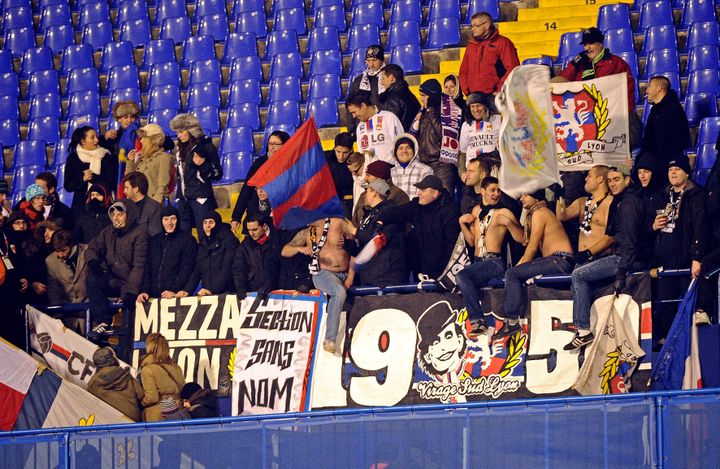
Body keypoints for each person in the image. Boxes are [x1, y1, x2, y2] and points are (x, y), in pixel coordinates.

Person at [564, 165, 650, 350]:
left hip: (625, 260)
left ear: (627, 180)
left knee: (578, 274)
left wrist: (621, 273)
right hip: (623, 257)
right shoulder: (621, 201)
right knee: (579, 275)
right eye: (610, 180)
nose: (613, 184)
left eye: (617, 179)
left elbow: (629, 241)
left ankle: (583, 331)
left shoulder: (627, 203)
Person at [492, 189, 575, 340]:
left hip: (559, 260)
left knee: (512, 274)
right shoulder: (539, 212)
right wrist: (514, 270)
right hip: (556, 260)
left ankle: (511, 321)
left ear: (535, 197)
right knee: (512, 273)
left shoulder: (540, 213)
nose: (521, 198)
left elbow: (532, 247)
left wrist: (514, 272)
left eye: (525, 194)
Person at [553, 27, 640, 147]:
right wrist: (573, 65)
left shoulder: (616, 63)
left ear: (600, 44)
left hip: (612, 117)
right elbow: (559, 83)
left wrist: (622, 118)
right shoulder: (580, 65)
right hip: (587, 120)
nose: (587, 48)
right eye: (585, 44)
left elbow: (627, 94)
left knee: (617, 156)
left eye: (591, 43)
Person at [652, 158, 708, 340]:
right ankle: (667, 342)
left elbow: (700, 227)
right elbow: (647, 227)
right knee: (665, 305)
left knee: (687, 302)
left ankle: (692, 342)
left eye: (677, 169)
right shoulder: (662, 194)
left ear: (687, 172)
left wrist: (696, 256)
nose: (673, 173)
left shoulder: (696, 194)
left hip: (685, 258)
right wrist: (653, 226)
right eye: (670, 169)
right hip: (665, 259)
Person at [456, 177, 521, 334]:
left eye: (498, 190)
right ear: (482, 191)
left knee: (462, 276)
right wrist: (462, 223)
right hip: (478, 261)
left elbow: (521, 238)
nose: (496, 194)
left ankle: (477, 320)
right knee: (458, 279)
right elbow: (472, 242)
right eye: (492, 190)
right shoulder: (476, 211)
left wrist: (510, 223)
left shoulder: (503, 212)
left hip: (494, 261)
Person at [85, 200, 148, 359]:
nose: (116, 218)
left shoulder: (140, 233)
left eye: (120, 214)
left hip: (132, 283)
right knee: (93, 279)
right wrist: (93, 261)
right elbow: (92, 247)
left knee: (128, 321)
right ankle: (102, 321)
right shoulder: (108, 231)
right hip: (114, 279)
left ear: (130, 214)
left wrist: (132, 291)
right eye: (114, 214)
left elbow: (139, 265)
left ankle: (127, 351)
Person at [377, 175, 461, 281]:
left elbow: (452, 245)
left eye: (423, 190)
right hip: (421, 270)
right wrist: (381, 220)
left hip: (442, 271)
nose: (418, 192)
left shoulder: (450, 212)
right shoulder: (417, 206)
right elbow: (399, 212)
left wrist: (444, 274)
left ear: (435, 193)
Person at [306, 217, 356, 353]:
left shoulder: (339, 222)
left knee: (342, 292)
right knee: (339, 292)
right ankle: (330, 339)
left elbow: (356, 247)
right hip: (323, 274)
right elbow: (285, 250)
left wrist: (350, 277)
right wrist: (299, 248)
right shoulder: (307, 233)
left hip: (344, 273)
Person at [346, 179, 407, 287]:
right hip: (370, 275)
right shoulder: (369, 215)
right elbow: (362, 247)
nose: (364, 195)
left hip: (386, 277)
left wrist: (355, 231)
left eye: (367, 191)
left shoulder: (390, 213)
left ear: (375, 192)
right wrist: (346, 242)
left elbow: (376, 239)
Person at [169, 113, 223, 233]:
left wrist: (203, 165)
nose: (179, 135)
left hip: (201, 200)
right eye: (177, 132)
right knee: (184, 238)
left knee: (205, 236)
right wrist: (179, 197)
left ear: (191, 130)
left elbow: (218, 173)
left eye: (181, 131)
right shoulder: (179, 150)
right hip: (183, 200)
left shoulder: (205, 147)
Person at [231, 130, 290, 233]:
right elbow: (247, 189)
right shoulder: (259, 163)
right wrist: (236, 216)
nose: (272, 147)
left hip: (281, 213)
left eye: (276, 144)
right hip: (258, 213)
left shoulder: (290, 163)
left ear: (285, 145)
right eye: (270, 143)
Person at [556, 165, 614, 267]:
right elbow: (562, 216)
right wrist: (559, 197)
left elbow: (610, 237)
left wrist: (589, 252)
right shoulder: (582, 202)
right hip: (581, 259)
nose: (585, 179)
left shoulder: (610, 203)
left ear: (600, 179)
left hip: (600, 258)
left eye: (589, 175)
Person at [137, 205, 197, 302]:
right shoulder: (154, 240)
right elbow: (148, 268)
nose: (169, 223)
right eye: (166, 219)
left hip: (175, 296)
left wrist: (174, 290)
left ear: (178, 220)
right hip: (153, 297)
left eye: (173, 219)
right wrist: (144, 291)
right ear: (161, 221)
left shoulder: (188, 240)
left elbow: (186, 269)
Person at [410, 79, 457, 193]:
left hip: (441, 165)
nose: (421, 99)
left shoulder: (448, 110)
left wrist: (431, 112)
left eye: (424, 96)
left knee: (444, 200)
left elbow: (444, 135)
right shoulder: (421, 112)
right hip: (423, 163)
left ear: (432, 96)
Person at [641, 75, 691, 180]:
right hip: (657, 165)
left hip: (665, 168)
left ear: (659, 88)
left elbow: (677, 142)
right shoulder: (656, 110)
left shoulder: (673, 111)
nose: (646, 91)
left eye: (649, 87)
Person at [179, 211, 238, 297]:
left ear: (217, 223)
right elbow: (197, 270)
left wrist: (212, 290)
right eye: (205, 222)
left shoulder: (229, 240)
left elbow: (227, 269)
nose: (207, 226)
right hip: (208, 293)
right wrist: (187, 290)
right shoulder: (203, 244)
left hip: (228, 293)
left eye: (211, 222)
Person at [459, 12, 520, 96]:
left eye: (475, 26)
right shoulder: (471, 45)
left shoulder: (503, 43)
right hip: (474, 97)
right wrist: (468, 91)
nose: (473, 29)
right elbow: (463, 71)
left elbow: (513, 68)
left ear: (486, 25)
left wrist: (499, 90)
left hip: (495, 96)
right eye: (471, 26)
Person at [64, 126, 118, 213]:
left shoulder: (106, 156)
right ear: (83, 141)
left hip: (103, 206)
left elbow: (111, 182)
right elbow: (68, 186)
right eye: (92, 138)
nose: (96, 140)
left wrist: (93, 177)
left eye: (96, 136)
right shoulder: (73, 158)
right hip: (80, 206)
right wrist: (83, 179)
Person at [345, 90, 403, 165]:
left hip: (391, 171)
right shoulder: (359, 127)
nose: (354, 116)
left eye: (354, 112)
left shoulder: (389, 117)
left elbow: (401, 145)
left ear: (363, 106)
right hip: (370, 174)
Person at [87, 347, 144, 422]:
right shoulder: (126, 374)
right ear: (112, 359)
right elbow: (141, 394)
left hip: (109, 421)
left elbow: (90, 403)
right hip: (131, 419)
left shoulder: (93, 382)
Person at [139, 332, 186, 422]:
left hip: (158, 415)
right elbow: (183, 391)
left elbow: (152, 398)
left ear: (149, 347)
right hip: (177, 411)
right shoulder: (176, 368)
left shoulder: (147, 369)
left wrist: (141, 403)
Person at [233, 214, 280, 299]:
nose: (251, 233)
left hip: (275, 292)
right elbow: (239, 268)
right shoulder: (245, 244)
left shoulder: (276, 239)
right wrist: (241, 289)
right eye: (249, 230)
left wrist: (268, 287)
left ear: (264, 226)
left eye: (255, 230)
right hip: (253, 292)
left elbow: (278, 268)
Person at [125, 123, 174, 204]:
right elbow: (129, 180)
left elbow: (163, 186)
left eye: (144, 138)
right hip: (136, 203)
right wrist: (130, 162)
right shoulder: (141, 157)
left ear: (153, 140)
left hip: (151, 204)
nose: (141, 141)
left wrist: (154, 205)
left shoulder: (164, 158)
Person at [352, 160, 409, 227]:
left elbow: (406, 224)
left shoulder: (399, 195)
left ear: (379, 178)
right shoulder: (364, 195)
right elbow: (355, 221)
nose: (365, 178)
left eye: (368, 175)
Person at [458, 92, 501, 180]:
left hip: (493, 171)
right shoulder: (466, 125)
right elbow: (462, 154)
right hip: (472, 174)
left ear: (485, 106)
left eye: (478, 105)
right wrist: (462, 173)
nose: (476, 110)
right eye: (472, 106)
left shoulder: (497, 119)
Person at [101, 100, 142, 193]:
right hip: (119, 177)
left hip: (140, 175)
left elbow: (167, 143)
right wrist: (104, 137)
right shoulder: (114, 137)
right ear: (119, 119)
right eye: (125, 117)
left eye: (132, 117)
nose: (129, 120)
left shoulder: (143, 133)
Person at [347, 44, 386, 133]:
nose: (371, 64)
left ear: (381, 60)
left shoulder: (389, 78)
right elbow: (351, 105)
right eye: (368, 61)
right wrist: (352, 129)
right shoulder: (359, 81)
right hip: (363, 127)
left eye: (374, 60)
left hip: (383, 124)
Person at [46, 229, 89, 305]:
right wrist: (57, 313)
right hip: (68, 308)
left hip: (90, 305)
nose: (60, 255)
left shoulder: (88, 251)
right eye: (57, 251)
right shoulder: (50, 261)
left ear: (72, 245)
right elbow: (53, 290)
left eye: (63, 250)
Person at [378, 63, 421, 131]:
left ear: (391, 78)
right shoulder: (409, 95)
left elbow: (391, 127)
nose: (382, 83)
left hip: (400, 139)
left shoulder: (393, 99)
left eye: (383, 79)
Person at [390, 133, 433, 200]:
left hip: (416, 209)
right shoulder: (390, 172)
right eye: (400, 148)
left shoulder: (425, 170)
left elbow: (427, 196)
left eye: (408, 148)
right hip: (394, 209)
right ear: (395, 152)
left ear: (414, 151)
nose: (404, 151)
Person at [122, 171, 163, 237]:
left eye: (126, 188)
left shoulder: (154, 208)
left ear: (136, 189)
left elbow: (155, 236)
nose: (124, 191)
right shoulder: (125, 207)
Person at [325, 132, 355, 219]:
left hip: (349, 202)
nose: (341, 156)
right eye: (338, 151)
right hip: (330, 202)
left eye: (345, 152)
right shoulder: (325, 158)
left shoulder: (356, 161)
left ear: (351, 150)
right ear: (334, 148)